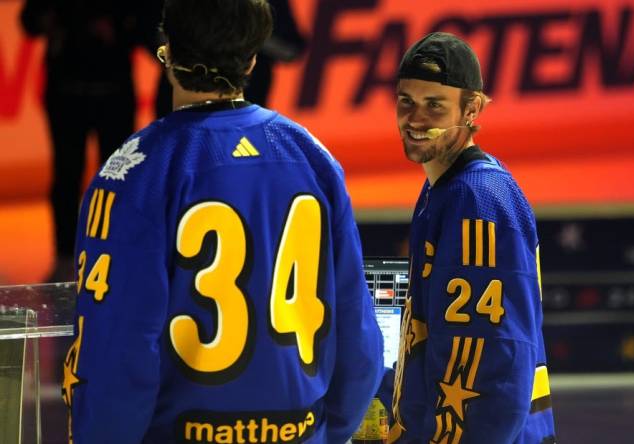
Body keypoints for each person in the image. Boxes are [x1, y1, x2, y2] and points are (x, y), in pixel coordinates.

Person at [61, 1, 383, 442]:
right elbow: (358, 333)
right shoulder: (313, 157)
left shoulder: (132, 172)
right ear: (252, 58)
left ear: (166, 51)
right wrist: (328, 431)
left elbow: (117, 351)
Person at [388, 32, 556, 443]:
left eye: (435, 105)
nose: (415, 119)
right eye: (407, 101)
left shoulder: (476, 198)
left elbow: (488, 359)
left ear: (473, 108)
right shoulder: (444, 186)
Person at [20, 0, 146, 283]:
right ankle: (65, 255)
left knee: (119, 180)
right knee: (66, 174)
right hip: (66, 93)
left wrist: (117, 32)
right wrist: (50, 21)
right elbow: (29, 21)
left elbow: (147, 27)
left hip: (113, 94)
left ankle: (116, 251)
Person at [153, 0, 306, 117]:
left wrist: (238, 31)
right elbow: (150, 30)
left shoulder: (144, 147)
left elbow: (291, 50)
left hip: (248, 100)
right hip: (178, 107)